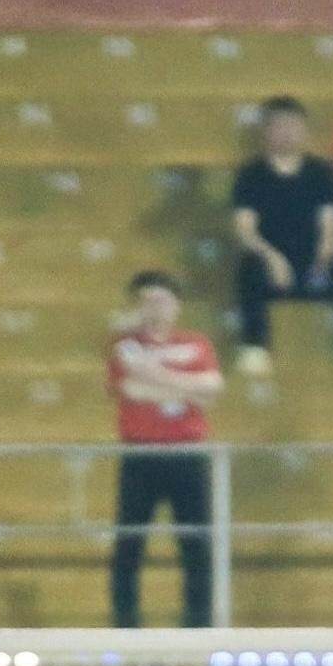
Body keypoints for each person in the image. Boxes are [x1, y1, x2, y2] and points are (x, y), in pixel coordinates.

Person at [231, 96, 333, 378]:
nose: (287, 133)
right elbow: (245, 230)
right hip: (274, 268)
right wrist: (272, 258)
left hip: (314, 267)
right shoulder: (251, 175)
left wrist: (323, 260)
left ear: (304, 130)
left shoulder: (320, 173)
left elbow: (329, 224)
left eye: (293, 126)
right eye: (279, 126)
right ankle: (255, 347)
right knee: (249, 267)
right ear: (266, 131)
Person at [103, 269, 222, 628]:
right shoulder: (124, 346)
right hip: (141, 455)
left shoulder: (196, 343)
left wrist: (155, 376)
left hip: (187, 454)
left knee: (196, 542)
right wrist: (188, 388)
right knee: (130, 542)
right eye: (148, 301)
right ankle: (125, 626)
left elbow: (213, 388)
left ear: (177, 305)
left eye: (163, 300)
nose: (156, 308)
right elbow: (131, 390)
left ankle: (198, 627)